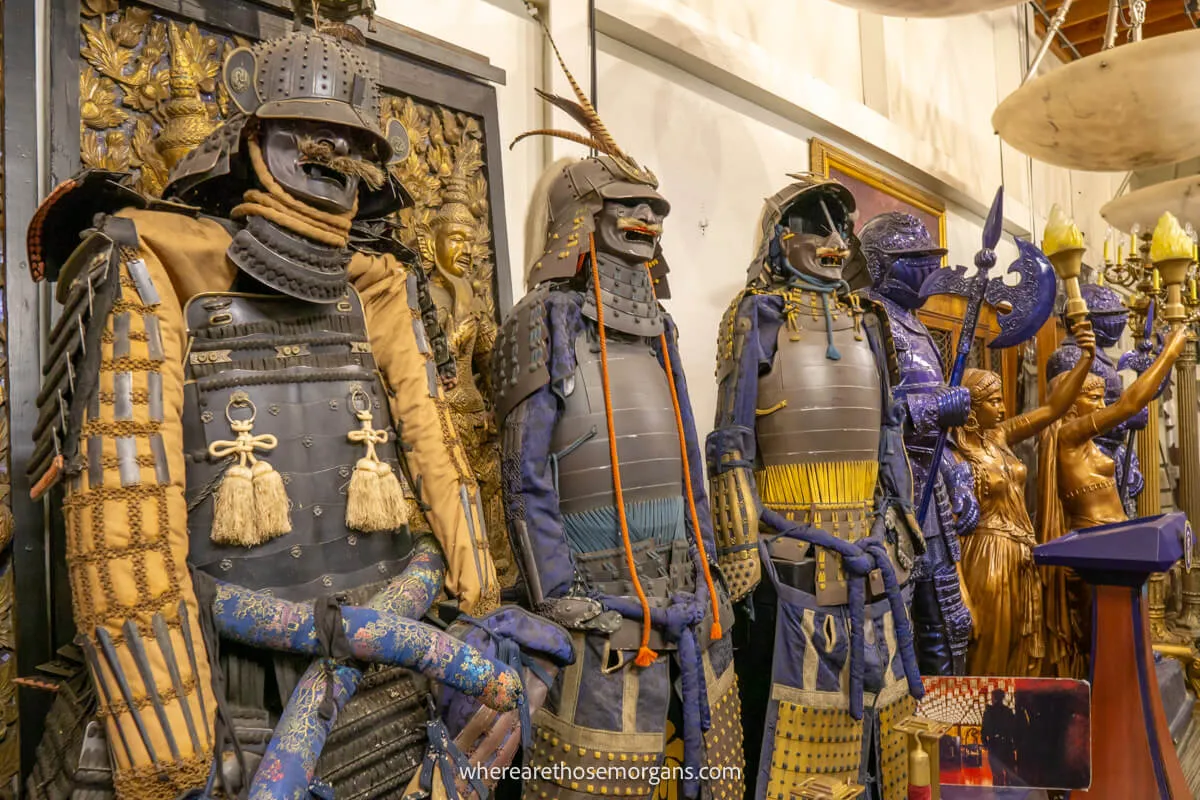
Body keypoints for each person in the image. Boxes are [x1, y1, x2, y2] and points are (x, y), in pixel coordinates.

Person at [20, 29, 556, 800]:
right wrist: (163, 722)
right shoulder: (152, 266)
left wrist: (473, 598)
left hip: (395, 664)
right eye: (310, 133)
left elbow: (439, 457)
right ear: (254, 133)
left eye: (350, 141)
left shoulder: (381, 291)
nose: (331, 152)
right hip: (235, 690)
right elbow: (124, 509)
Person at [493, 33, 742, 800]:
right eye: (630, 207)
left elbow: (688, 465)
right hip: (599, 615)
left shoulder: (662, 330)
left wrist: (708, 565)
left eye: (654, 209)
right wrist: (558, 593)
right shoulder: (542, 320)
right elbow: (524, 477)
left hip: (685, 596)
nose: (648, 221)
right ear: (582, 214)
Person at [707, 175, 924, 800]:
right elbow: (731, 445)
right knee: (783, 735)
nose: (836, 239)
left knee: (880, 732)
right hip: (788, 562)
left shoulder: (871, 321)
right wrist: (739, 551)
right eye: (817, 225)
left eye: (842, 226)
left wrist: (904, 525)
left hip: (873, 555)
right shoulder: (755, 316)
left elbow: (888, 438)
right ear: (781, 238)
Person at [859, 212, 976, 676]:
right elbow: (870, 414)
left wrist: (956, 469)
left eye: (930, 257)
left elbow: (935, 430)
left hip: (933, 493)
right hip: (892, 495)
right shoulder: (867, 319)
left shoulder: (915, 324)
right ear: (882, 264)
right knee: (897, 632)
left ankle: (946, 742)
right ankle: (908, 745)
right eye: (916, 259)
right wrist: (934, 409)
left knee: (948, 629)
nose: (929, 266)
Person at [1038, 321, 1189, 678]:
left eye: (1102, 397)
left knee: (1120, 636)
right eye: (1093, 397)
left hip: (1115, 544)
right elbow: (1129, 403)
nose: (1101, 405)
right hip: (1096, 551)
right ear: (1071, 403)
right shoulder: (1067, 436)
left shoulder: (1084, 442)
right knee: (1104, 643)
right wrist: (1170, 352)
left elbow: (1128, 405)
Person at [953, 319, 1095, 677]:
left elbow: (1052, 411)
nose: (1002, 408)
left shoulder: (998, 436)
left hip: (1020, 557)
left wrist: (1085, 361)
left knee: (1019, 651)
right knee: (989, 652)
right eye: (994, 401)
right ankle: (981, 728)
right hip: (987, 560)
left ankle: (1012, 727)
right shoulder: (955, 456)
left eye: (1002, 400)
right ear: (971, 408)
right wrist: (961, 594)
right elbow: (948, 531)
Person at [1046, 282, 1147, 516]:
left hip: (1109, 453)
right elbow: (1075, 416)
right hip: (1085, 459)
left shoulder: (1097, 357)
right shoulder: (1069, 357)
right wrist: (1124, 420)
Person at [981, 689, 1018, 786]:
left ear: (994, 698)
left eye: (992, 697)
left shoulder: (989, 712)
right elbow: (1014, 729)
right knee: (1009, 772)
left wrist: (985, 743)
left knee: (997, 774)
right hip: (1007, 745)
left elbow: (984, 729)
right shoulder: (1008, 711)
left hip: (994, 745)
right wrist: (1014, 744)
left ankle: (999, 793)